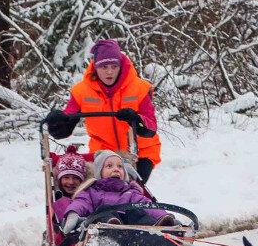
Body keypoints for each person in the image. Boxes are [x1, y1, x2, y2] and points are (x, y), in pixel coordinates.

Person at [45, 39, 161, 183]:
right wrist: (56, 122)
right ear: (95, 67)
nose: (109, 72)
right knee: (103, 191)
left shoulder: (140, 88)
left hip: (140, 153)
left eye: (114, 66)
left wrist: (136, 120)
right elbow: (64, 128)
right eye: (104, 67)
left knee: (132, 188)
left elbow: (151, 128)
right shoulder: (81, 92)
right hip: (103, 153)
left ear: (120, 65)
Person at [61, 150, 173, 233]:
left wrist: (163, 216)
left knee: (137, 211)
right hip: (101, 229)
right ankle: (111, 227)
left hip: (130, 231)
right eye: (109, 166)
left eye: (120, 166)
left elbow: (147, 205)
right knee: (103, 210)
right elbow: (81, 203)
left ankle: (156, 229)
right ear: (100, 172)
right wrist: (73, 214)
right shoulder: (91, 191)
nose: (116, 169)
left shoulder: (130, 192)